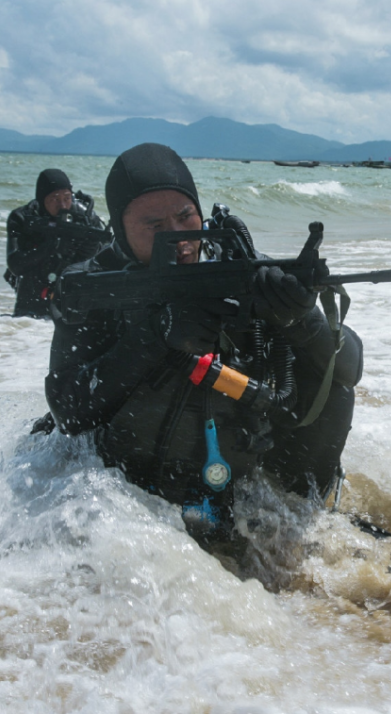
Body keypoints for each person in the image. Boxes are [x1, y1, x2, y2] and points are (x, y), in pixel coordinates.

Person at [44, 143, 363, 542]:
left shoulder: (238, 267)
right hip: (121, 490)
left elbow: (349, 371)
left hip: (233, 476)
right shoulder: (95, 288)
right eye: (154, 226)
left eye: (184, 216)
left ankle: (304, 519)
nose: (178, 238)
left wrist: (302, 319)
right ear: (120, 229)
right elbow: (68, 412)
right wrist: (155, 336)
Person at [5, 169, 108, 318]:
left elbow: (103, 259)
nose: (63, 205)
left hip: (71, 291)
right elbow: (15, 265)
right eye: (55, 199)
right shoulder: (23, 217)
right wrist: (51, 247)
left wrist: (89, 250)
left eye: (67, 198)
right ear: (42, 199)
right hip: (32, 290)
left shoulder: (85, 217)